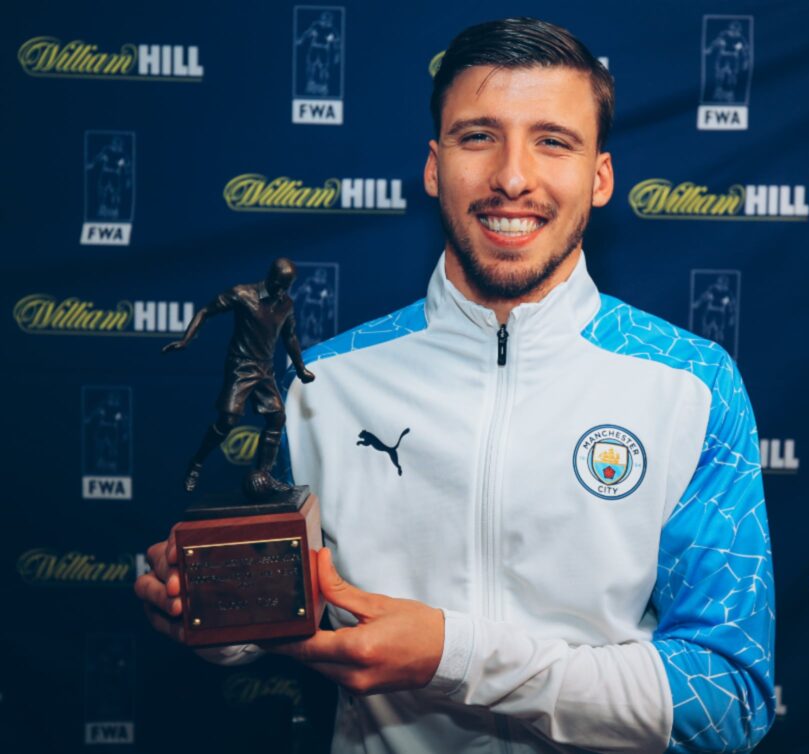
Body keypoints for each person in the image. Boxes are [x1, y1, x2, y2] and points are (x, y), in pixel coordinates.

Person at [136, 18, 775, 753]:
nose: (512, 176)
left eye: (552, 140)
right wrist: (208, 612)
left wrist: (455, 656)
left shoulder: (692, 384)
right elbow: (276, 610)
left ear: (600, 177)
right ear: (435, 167)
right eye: (479, 137)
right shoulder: (326, 381)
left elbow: (726, 702)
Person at [161, 257, 316, 497]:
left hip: (265, 369)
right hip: (241, 366)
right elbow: (205, 311)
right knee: (228, 421)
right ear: (271, 278)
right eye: (280, 284)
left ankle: (264, 474)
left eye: (288, 286)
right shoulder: (242, 293)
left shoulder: (286, 304)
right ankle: (197, 463)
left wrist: (300, 367)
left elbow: (290, 337)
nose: (283, 291)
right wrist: (185, 340)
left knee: (276, 417)